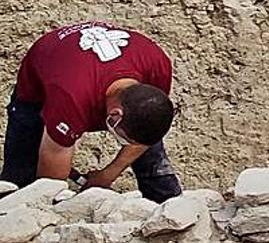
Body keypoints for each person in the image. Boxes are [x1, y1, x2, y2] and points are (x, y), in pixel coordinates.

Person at [1, 22, 180, 202]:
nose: (131, 144)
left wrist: (107, 175)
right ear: (115, 116)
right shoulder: (71, 97)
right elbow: (49, 183)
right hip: (42, 84)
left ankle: (171, 208)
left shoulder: (157, 68)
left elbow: (143, 136)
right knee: (20, 179)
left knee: (147, 141)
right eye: (124, 140)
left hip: (93, 75)